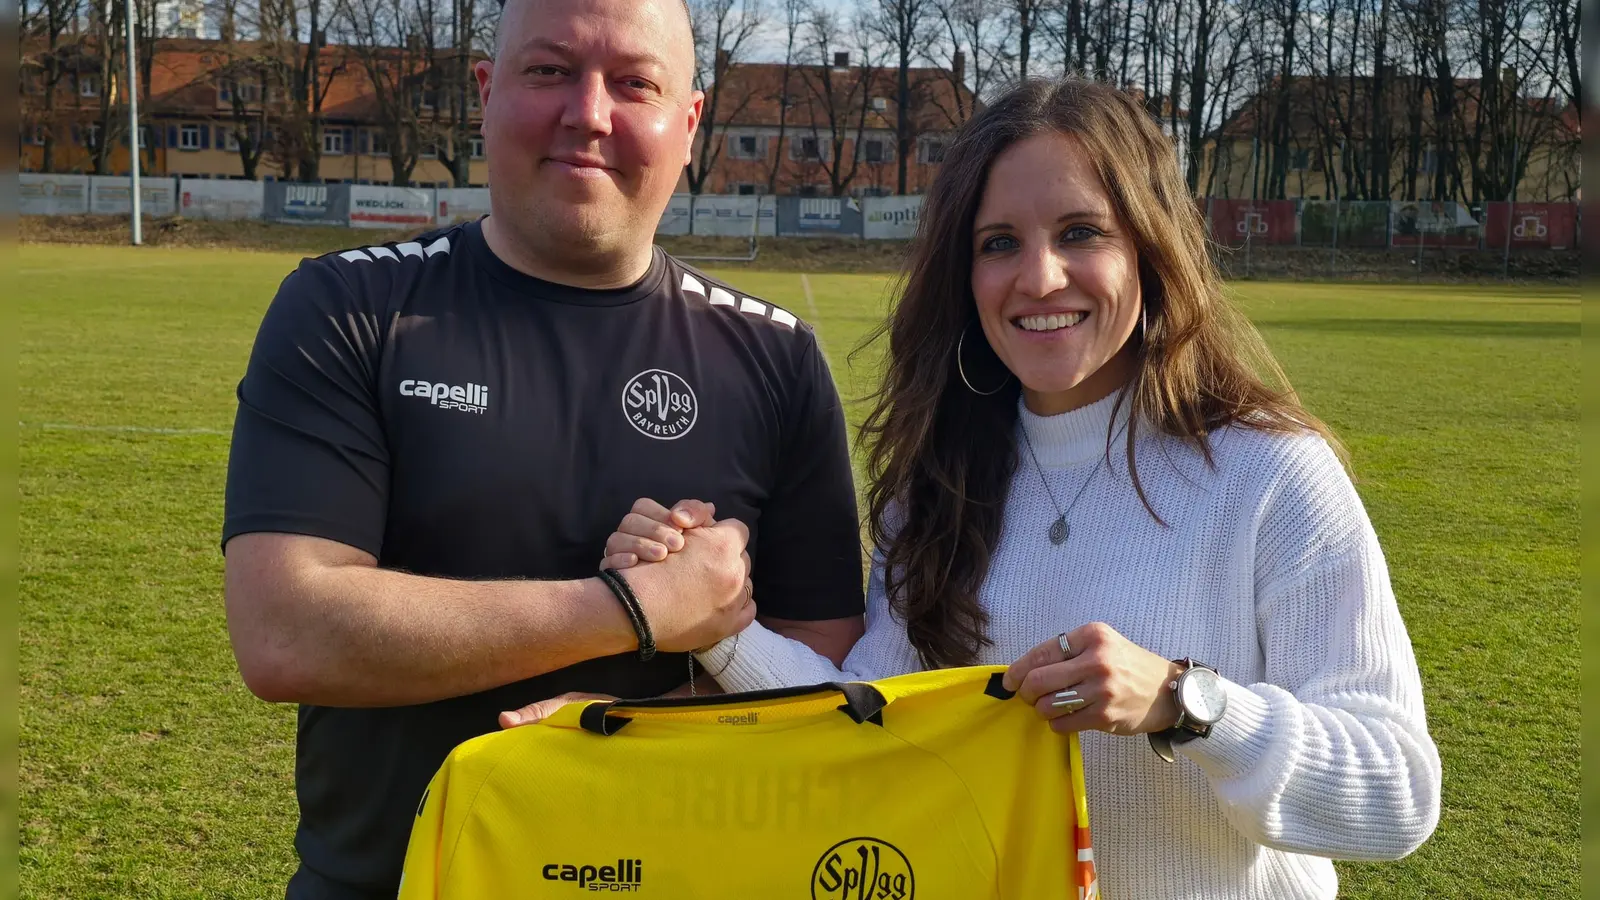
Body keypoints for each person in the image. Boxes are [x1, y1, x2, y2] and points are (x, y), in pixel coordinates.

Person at [578, 77, 1443, 899]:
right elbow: (871, 723)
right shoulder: (937, 488)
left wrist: (1184, 701)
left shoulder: (1273, 476)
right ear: (965, 274)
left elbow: (1397, 793)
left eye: (1080, 232)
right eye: (1000, 245)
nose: (1038, 279)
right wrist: (716, 622)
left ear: (1149, 246)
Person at [219, 0, 865, 896]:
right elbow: (285, 632)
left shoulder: (776, 357)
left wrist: (640, 726)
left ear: (689, 120)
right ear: (486, 93)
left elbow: (824, 653)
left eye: (634, 82)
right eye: (551, 71)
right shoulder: (349, 310)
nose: (589, 113)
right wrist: (637, 606)